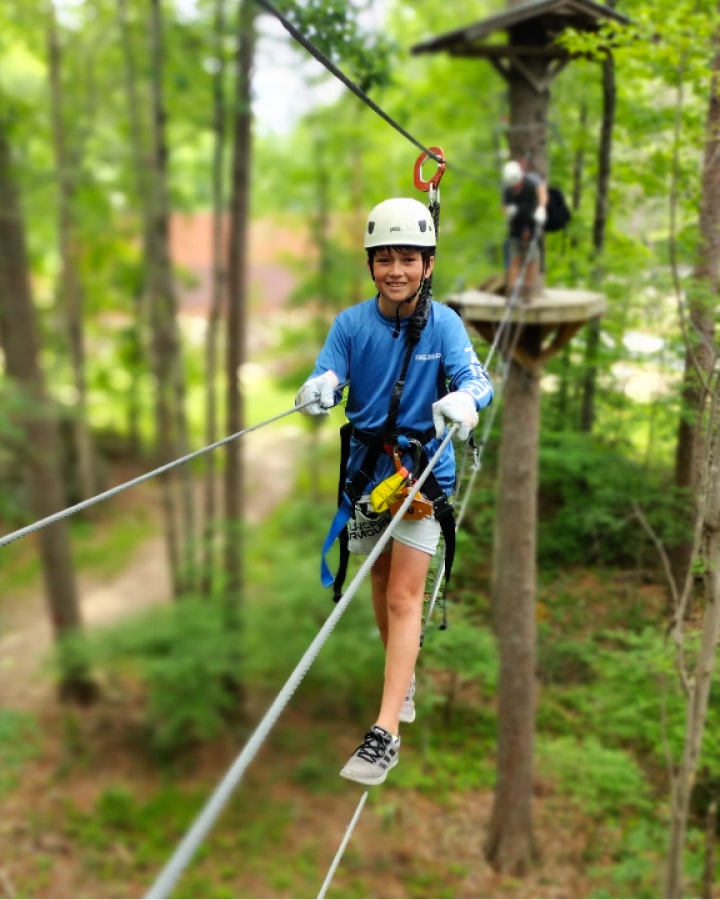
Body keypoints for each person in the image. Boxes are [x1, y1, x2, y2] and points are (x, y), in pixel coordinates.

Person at [295, 197, 493, 786]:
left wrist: (466, 401)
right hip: (366, 478)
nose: (396, 270)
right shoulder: (351, 325)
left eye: (408, 258)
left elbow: (477, 379)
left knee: (406, 596)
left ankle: (385, 733)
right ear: (371, 264)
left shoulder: (445, 325)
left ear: (427, 265)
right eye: (385, 259)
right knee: (379, 585)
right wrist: (321, 386)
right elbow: (328, 371)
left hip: (423, 477)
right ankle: (400, 682)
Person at [501, 159, 548, 302]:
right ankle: (512, 293)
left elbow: (542, 193)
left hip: (532, 223)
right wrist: (507, 211)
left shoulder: (531, 181)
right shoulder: (508, 189)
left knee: (532, 260)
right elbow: (503, 206)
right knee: (514, 258)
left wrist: (541, 208)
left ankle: (528, 293)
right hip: (516, 225)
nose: (514, 188)